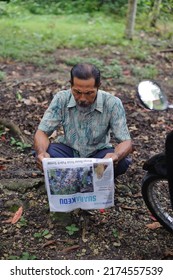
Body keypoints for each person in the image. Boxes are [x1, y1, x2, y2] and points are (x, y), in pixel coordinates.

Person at [34, 63, 132, 178]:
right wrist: (42, 153)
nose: (82, 98)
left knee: (121, 162)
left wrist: (116, 155)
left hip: (98, 155)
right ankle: (88, 176)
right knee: (46, 155)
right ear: (71, 85)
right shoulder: (61, 99)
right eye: (77, 92)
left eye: (89, 93)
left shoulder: (112, 103)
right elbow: (42, 132)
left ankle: (73, 175)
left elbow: (126, 141)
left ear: (98, 86)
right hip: (68, 154)